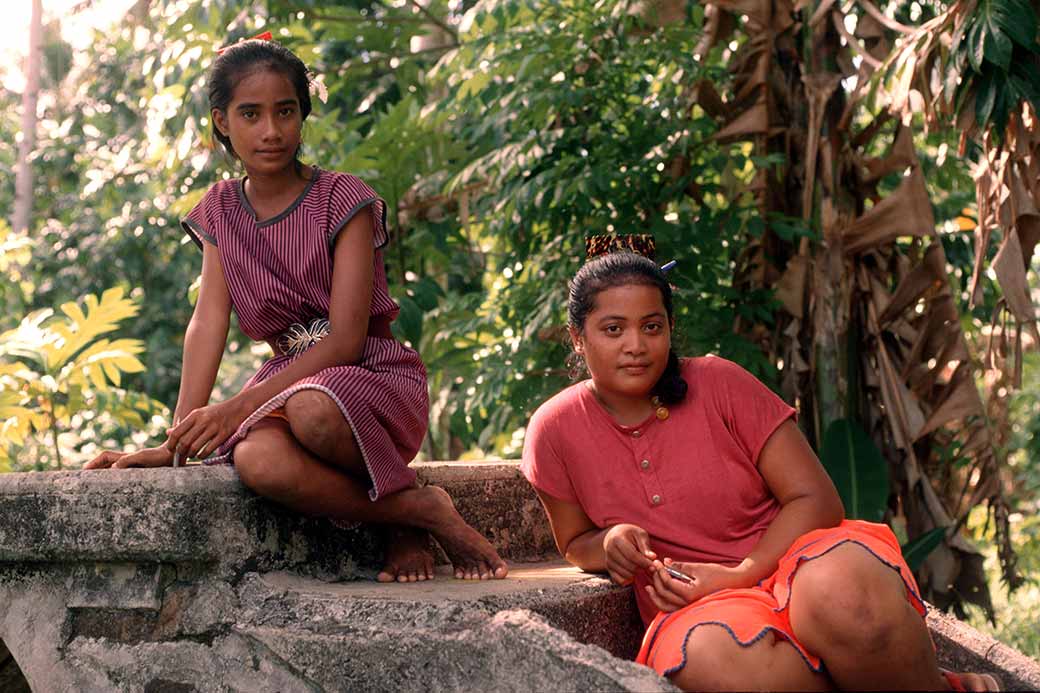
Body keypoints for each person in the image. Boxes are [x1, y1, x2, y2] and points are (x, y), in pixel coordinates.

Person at [86, 35, 507, 584]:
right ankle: (417, 509)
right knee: (258, 463)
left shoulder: (343, 199)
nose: (271, 131)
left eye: (285, 111)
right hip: (285, 381)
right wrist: (175, 444)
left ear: (302, 116)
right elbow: (207, 322)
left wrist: (235, 408)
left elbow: (346, 340)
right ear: (221, 121)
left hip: (370, 375)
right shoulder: (218, 210)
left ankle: (402, 521)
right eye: (250, 114)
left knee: (312, 410)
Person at [520, 242, 998, 691]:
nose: (636, 345)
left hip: (798, 563)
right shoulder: (554, 430)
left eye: (652, 326)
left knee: (844, 596)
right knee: (707, 661)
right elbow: (574, 544)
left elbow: (816, 498)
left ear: (669, 328)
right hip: (702, 603)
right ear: (577, 338)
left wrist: (740, 572)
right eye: (613, 329)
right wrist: (609, 543)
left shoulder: (718, 382)